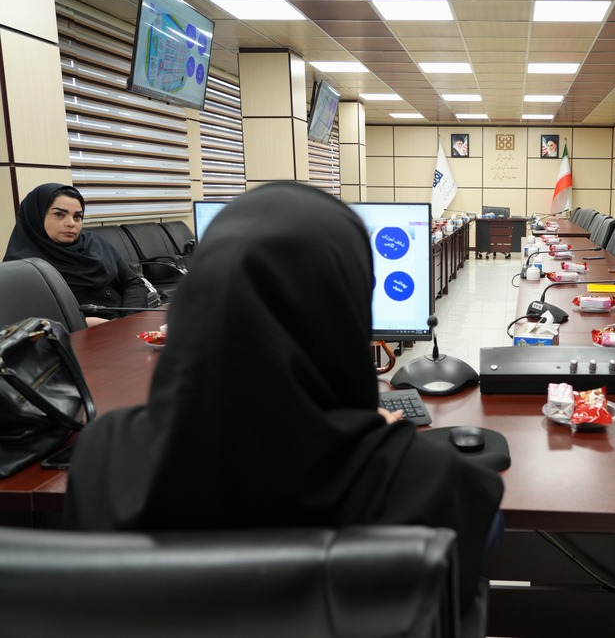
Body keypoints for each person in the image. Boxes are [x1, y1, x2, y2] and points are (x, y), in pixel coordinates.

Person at [64, 182, 504, 612]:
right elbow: (479, 539)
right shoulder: (429, 482)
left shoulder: (105, 455)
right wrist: (379, 439)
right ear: (347, 304)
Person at [3, 183, 149, 327]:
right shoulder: (22, 267)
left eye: (77, 216)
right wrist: (79, 324)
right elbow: (23, 321)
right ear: (37, 216)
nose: (71, 223)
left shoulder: (95, 242)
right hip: (73, 336)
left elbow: (133, 283)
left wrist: (128, 318)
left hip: (123, 325)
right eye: (59, 214)